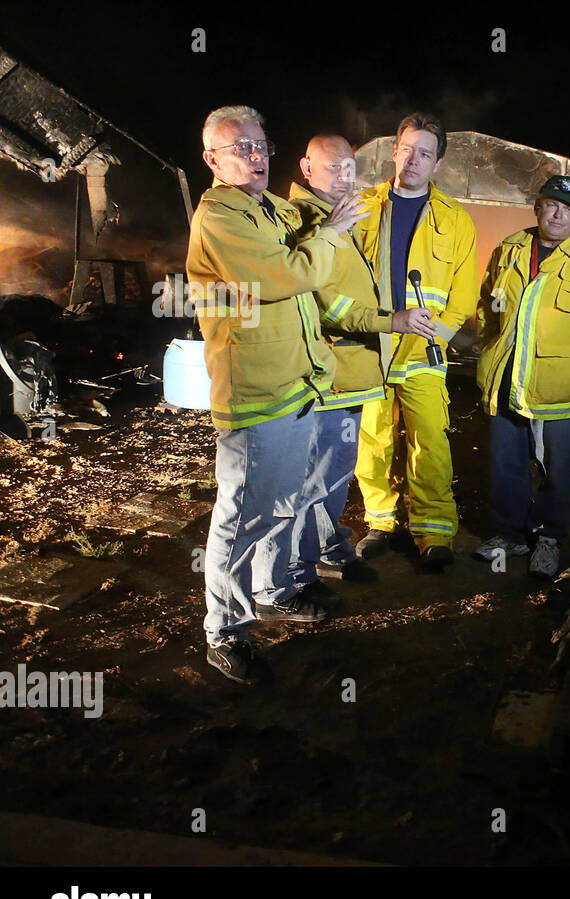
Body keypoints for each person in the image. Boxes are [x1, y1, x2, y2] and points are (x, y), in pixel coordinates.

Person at [187, 106, 364, 684]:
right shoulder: (219, 216)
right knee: (243, 515)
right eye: (242, 148)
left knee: (283, 501)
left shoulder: (269, 209)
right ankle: (225, 630)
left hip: (295, 384)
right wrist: (331, 234)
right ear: (212, 159)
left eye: (262, 145)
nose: (257, 156)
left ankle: (271, 590)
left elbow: (310, 260)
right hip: (257, 392)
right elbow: (287, 276)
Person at [271, 135, 440, 602]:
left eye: (350, 168)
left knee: (335, 475)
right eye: (332, 168)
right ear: (306, 168)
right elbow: (330, 306)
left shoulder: (341, 215)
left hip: (355, 375)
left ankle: (328, 550)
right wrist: (395, 321)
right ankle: (298, 574)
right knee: (313, 479)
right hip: (330, 372)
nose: (344, 177)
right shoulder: (307, 222)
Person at [473, 175, 570, 577]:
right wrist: (491, 344)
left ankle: (548, 539)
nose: (558, 214)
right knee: (507, 465)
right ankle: (510, 535)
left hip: (560, 393)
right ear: (537, 207)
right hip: (508, 383)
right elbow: (490, 302)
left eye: (568, 208)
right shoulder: (509, 250)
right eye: (551, 204)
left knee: (555, 473)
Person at [352, 113, 478, 571]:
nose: (413, 159)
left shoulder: (455, 219)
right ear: (394, 151)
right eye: (407, 149)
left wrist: (439, 338)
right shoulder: (364, 206)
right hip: (374, 344)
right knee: (374, 437)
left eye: (425, 153)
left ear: (438, 163)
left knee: (431, 440)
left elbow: (465, 291)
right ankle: (380, 522)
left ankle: (434, 531)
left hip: (422, 350)